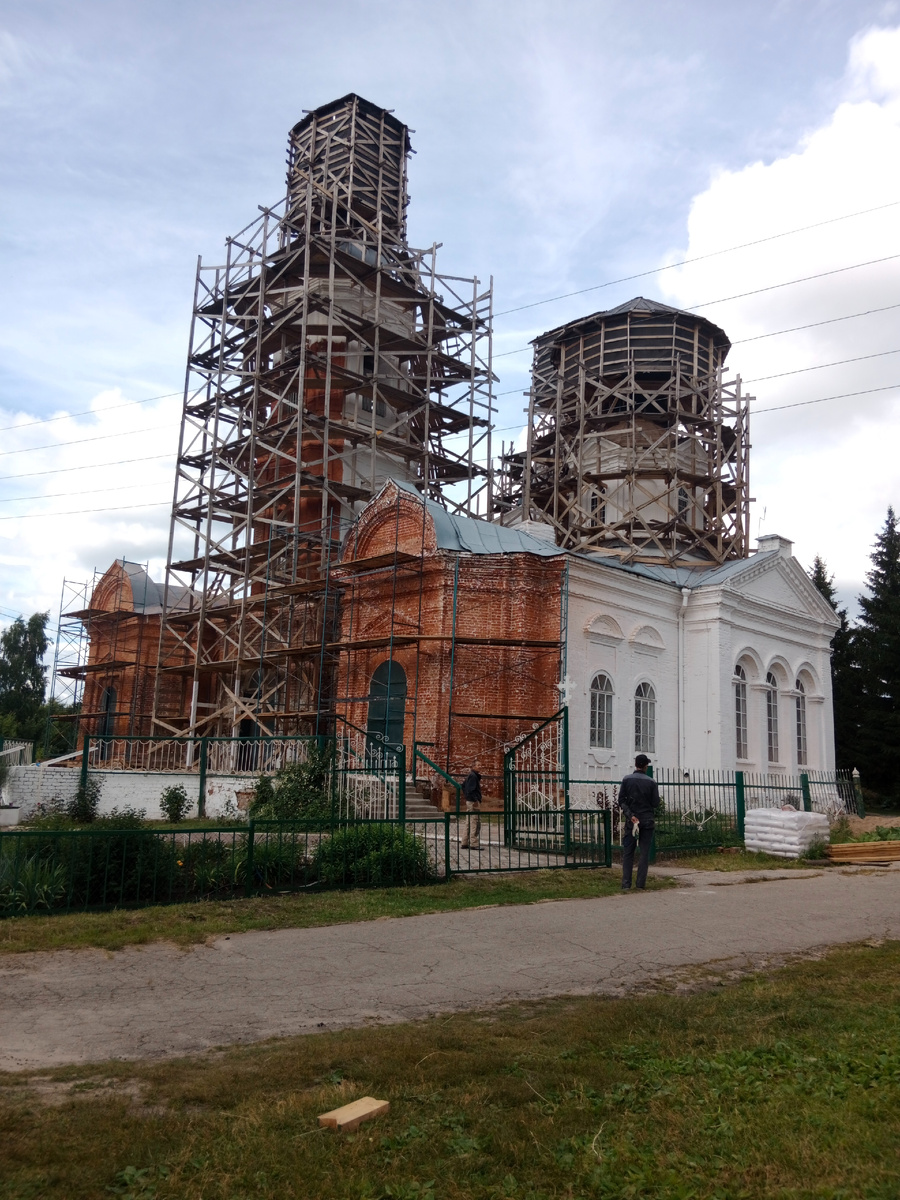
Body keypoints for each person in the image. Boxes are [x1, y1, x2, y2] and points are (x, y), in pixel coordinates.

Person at [617, 754, 661, 890]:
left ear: (636, 765)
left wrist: (631, 815)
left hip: (632, 820)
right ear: (646, 766)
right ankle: (640, 885)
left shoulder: (626, 780)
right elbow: (655, 803)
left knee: (628, 852)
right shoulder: (651, 782)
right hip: (647, 820)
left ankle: (626, 884)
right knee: (644, 853)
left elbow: (621, 801)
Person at [459, 762, 482, 849]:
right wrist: (475, 799)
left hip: (470, 801)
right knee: (474, 822)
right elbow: (470, 789)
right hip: (473, 802)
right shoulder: (473, 776)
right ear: (473, 766)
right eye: (478, 765)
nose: (480, 767)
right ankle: (473, 843)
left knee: (468, 822)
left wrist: (467, 797)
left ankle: (464, 842)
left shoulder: (471, 775)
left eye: (480, 765)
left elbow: (463, 786)